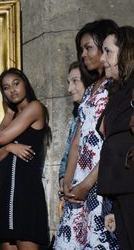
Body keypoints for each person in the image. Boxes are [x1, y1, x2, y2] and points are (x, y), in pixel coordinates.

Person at [54, 19, 119, 249]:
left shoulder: (115, 88)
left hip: (101, 184)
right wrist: (70, 183)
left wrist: (87, 185)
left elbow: (114, 146)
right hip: (78, 187)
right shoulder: (90, 89)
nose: (83, 54)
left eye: (88, 47)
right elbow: (76, 143)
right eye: (81, 49)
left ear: (104, 48)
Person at [0, 68, 51, 250]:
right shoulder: (12, 117)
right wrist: (9, 148)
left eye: (16, 83)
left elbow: (1, 137)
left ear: (25, 83)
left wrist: (5, 142)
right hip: (5, 192)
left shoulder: (35, 107)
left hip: (25, 192)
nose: (12, 90)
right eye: (6, 88)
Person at [98, 26, 134, 250]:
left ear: (126, 53)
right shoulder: (119, 90)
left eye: (108, 51)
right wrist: (109, 207)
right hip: (119, 187)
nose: (102, 59)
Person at [58, 61, 87, 198]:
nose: (69, 89)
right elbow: (67, 155)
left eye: (75, 81)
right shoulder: (76, 120)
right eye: (68, 82)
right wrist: (63, 181)